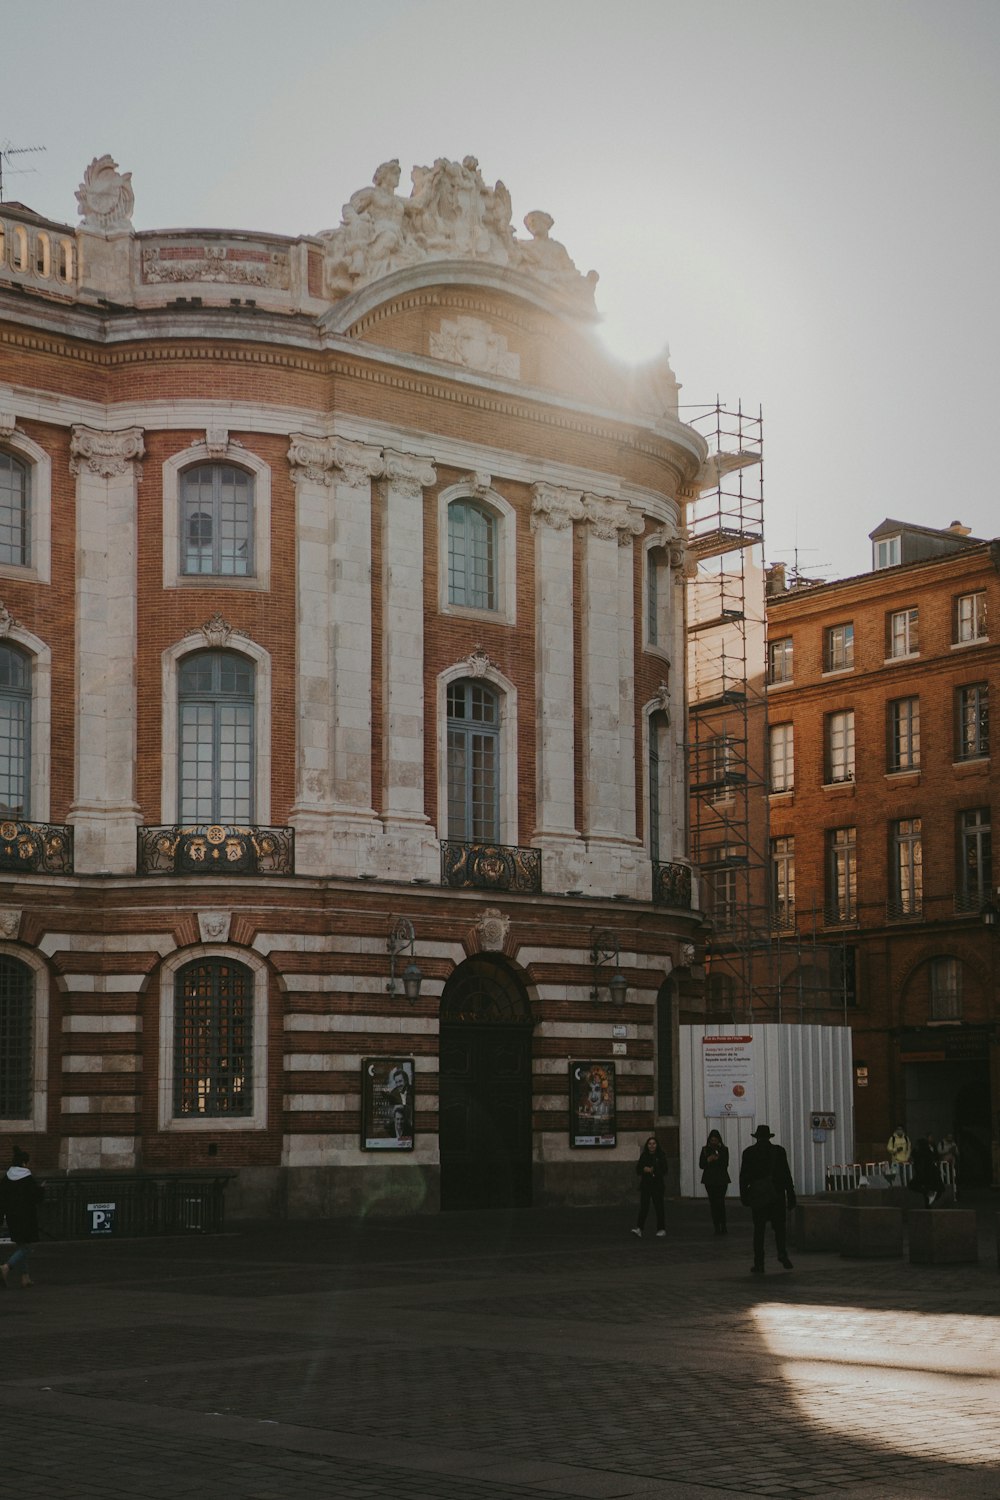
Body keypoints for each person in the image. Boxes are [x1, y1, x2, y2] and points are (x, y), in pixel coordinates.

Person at [739, 1124, 797, 1274]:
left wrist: (744, 1196)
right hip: (776, 1195)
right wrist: (791, 1195)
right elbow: (786, 1175)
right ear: (769, 1137)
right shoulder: (779, 1151)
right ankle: (782, 1253)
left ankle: (759, 1263)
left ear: (756, 1137)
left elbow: (744, 1177)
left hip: (759, 1196)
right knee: (779, 1228)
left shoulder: (749, 1153)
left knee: (759, 1230)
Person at [0, 1146, 44, 1289]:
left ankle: (25, 1277)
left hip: (12, 1217)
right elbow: (35, 1197)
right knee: (27, 1248)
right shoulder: (27, 1178)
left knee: (21, 1245)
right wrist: (42, 1189)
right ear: (25, 1163)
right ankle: (7, 1267)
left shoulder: (6, 1178)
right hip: (26, 1217)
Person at [632, 1134, 667, 1238]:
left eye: (654, 1144)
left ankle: (661, 1228)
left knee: (659, 1207)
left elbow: (665, 1170)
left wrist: (654, 1170)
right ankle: (639, 1228)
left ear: (657, 1145)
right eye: (650, 1144)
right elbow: (638, 1169)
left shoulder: (661, 1155)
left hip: (657, 1185)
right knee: (644, 1207)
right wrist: (644, 1169)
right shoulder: (644, 1155)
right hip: (646, 1185)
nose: (651, 1146)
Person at [699, 1129, 731, 1234]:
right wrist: (709, 1159)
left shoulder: (724, 1150)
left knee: (720, 1202)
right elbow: (701, 1165)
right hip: (710, 1180)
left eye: (715, 1140)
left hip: (721, 1179)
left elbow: (725, 1164)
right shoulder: (705, 1150)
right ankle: (717, 1226)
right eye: (712, 1140)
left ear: (719, 1140)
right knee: (713, 1203)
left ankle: (723, 1225)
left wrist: (717, 1159)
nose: (714, 1142)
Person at [909, 1134, 943, 1208]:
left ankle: (929, 1197)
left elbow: (922, 1167)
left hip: (927, 1176)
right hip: (929, 1176)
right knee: (926, 1189)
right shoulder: (926, 1153)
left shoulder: (921, 1155)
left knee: (914, 1186)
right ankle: (928, 1203)